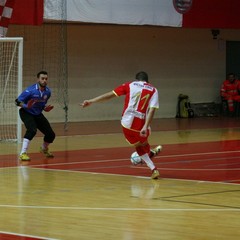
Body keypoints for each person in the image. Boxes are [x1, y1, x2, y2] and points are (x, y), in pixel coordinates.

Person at [80, 71, 161, 179]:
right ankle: (150, 154)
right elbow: (152, 110)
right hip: (141, 123)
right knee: (144, 142)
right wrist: (145, 126)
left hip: (126, 124)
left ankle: (153, 168)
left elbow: (109, 95)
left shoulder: (129, 85)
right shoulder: (153, 90)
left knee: (138, 145)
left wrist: (91, 101)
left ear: (136, 79)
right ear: (148, 81)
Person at [15, 71, 55, 161]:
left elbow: (42, 104)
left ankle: (44, 148)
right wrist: (26, 106)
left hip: (37, 113)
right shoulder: (30, 90)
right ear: (38, 79)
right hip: (26, 112)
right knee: (32, 130)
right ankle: (23, 153)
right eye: (42, 78)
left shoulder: (48, 92)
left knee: (51, 134)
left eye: (46, 79)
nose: (44, 80)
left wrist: (45, 108)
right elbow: (17, 101)